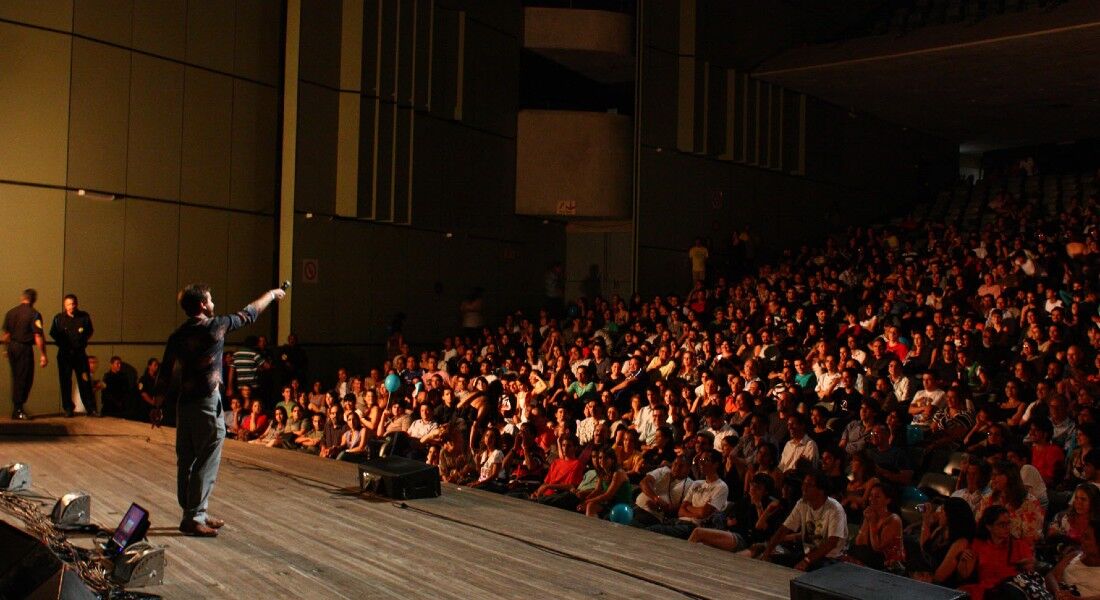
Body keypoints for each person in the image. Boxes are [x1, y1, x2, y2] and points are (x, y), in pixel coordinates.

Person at [154, 283, 285, 537]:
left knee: (187, 458)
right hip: (206, 401)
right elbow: (250, 313)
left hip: (185, 403)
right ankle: (194, 516)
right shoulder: (215, 326)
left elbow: (165, 371)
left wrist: (157, 405)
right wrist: (271, 294)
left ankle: (192, 511)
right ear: (203, 304)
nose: (214, 303)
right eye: (211, 299)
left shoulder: (177, 335)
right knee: (208, 455)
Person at [760, 471, 848, 571]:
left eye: (809, 485)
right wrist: (767, 552)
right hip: (808, 555)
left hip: (831, 559)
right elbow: (784, 529)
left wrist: (806, 561)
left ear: (821, 490)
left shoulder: (835, 509)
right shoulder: (802, 503)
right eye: (804, 484)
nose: (804, 488)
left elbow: (831, 543)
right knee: (772, 562)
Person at [958, 505, 1035, 600]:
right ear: (989, 527)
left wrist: (1027, 565)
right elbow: (964, 574)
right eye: (1002, 524)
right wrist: (963, 559)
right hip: (985, 591)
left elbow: (1030, 572)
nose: (1007, 527)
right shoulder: (978, 544)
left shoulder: (1019, 545)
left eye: (1008, 524)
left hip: (1010, 592)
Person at [2, 289, 48, 420]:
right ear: (33, 300)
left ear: (22, 298)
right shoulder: (34, 314)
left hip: (12, 347)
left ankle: (17, 407)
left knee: (16, 377)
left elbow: (6, 335)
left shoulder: (11, 313)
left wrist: (6, 349)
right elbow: (38, 335)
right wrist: (43, 354)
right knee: (25, 377)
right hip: (24, 348)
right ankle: (18, 409)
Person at [49, 294, 94, 417]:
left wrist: (81, 342)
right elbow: (53, 333)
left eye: (73, 304)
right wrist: (63, 344)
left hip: (80, 354)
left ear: (77, 304)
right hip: (65, 355)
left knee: (84, 380)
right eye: (69, 304)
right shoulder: (59, 318)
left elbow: (90, 331)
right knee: (65, 381)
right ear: (65, 305)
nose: (71, 306)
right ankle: (68, 408)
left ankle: (90, 408)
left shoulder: (84, 317)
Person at [1046, 518, 1100, 599]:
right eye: (1083, 535)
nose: (1082, 539)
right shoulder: (1075, 555)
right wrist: (1058, 592)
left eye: (1087, 538)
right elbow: (1050, 576)